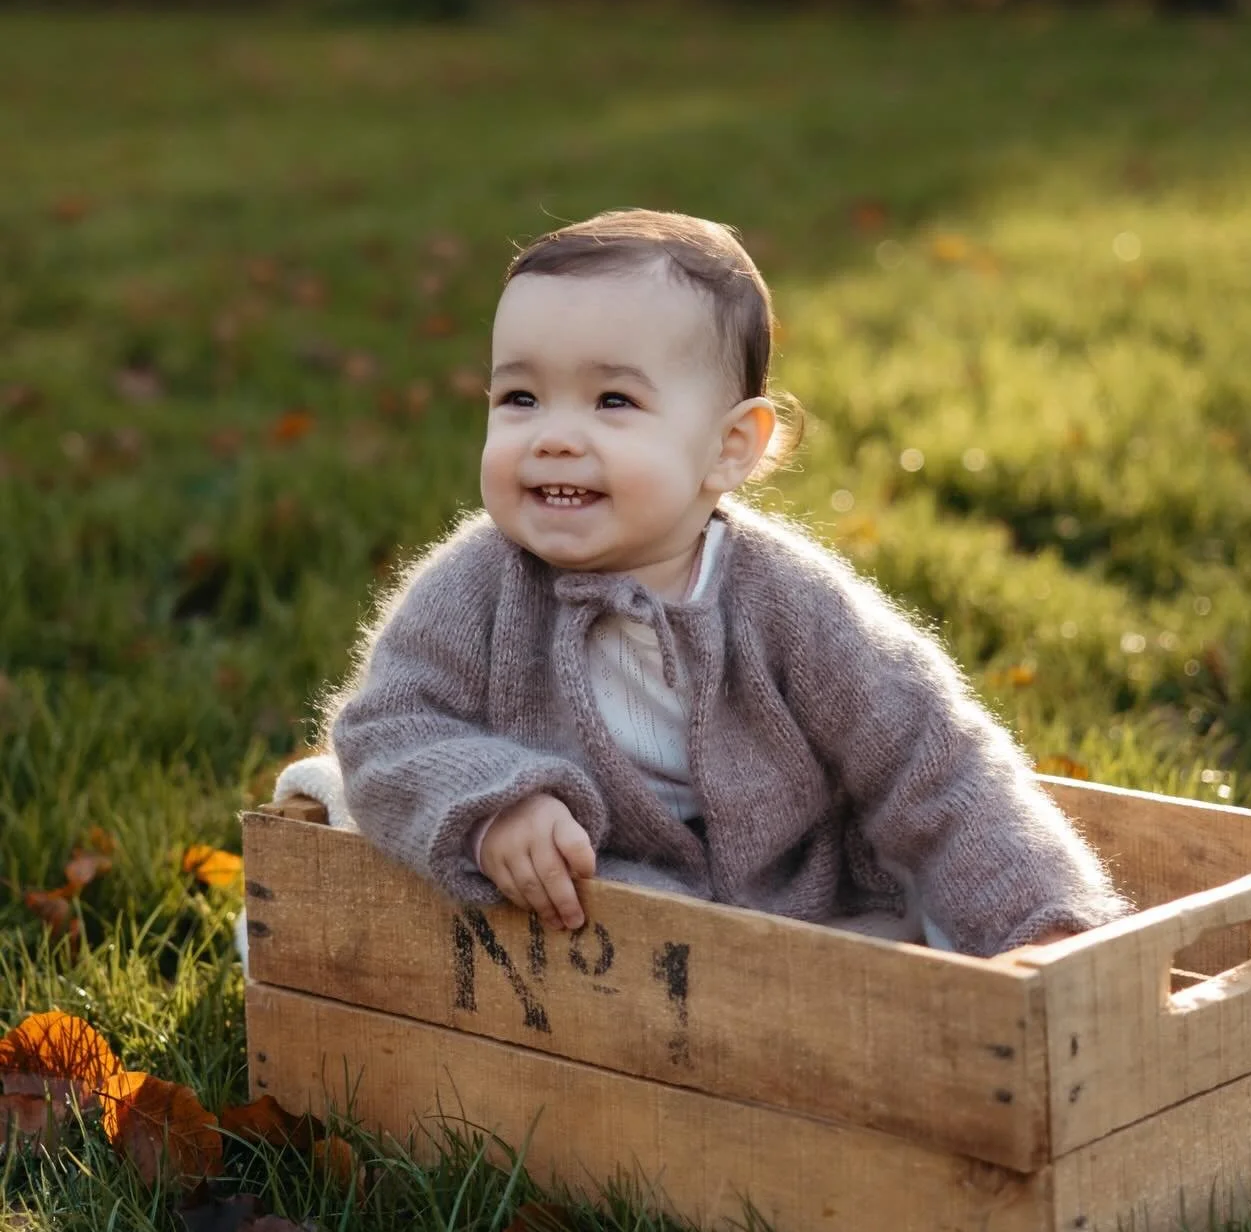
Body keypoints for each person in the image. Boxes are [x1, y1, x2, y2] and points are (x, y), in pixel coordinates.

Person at [312, 208, 1131, 957]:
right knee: (371, 857)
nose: (554, 437)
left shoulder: (789, 603)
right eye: (521, 397)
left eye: (612, 401)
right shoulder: (478, 586)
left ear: (730, 447)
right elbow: (386, 728)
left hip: (796, 908)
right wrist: (496, 807)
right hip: (575, 915)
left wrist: (1043, 925)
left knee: (916, 949)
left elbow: (933, 759)